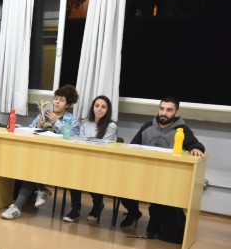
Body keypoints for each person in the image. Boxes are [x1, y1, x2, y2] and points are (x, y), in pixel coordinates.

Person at [119, 97, 205, 236]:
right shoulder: (147, 126)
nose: (164, 113)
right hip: (144, 173)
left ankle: (156, 223)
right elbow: (133, 146)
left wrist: (196, 148)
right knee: (123, 185)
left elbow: (195, 144)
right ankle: (134, 213)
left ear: (176, 112)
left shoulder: (181, 129)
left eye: (169, 110)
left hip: (167, 178)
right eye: (162, 109)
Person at [1, 84, 80, 220]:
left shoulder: (72, 120)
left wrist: (57, 123)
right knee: (29, 165)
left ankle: (18, 205)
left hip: (60, 159)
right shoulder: (45, 112)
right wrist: (38, 125)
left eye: (61, 100)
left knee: (31, 168)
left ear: (67, 105)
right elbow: (30, 130)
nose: (56, 102)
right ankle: (37, 192)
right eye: (55, 98)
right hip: (40, 156)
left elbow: (74, 139)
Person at [62, 95, 118, 222]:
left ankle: (97, 206)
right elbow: (81, 141)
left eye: (103, 107)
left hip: (102, 162)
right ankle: (75, 209)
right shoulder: (86, 123)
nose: (99, 109)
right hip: (85, 159)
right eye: (97, 106)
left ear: (108, 110)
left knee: (93, 176)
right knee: (75, 175)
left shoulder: (111, 126)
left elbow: (103, 145)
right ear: (93, 108)